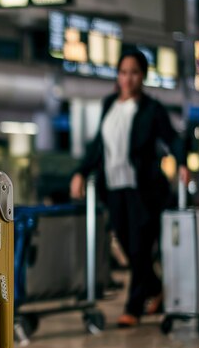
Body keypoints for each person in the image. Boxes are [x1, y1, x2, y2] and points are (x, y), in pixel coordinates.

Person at [70, 49, 189, 328]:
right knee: (124, 242)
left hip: (143, 190)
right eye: (123, 72)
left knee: (139, 248)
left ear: (143, 76)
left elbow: (173, 139)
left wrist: (182, 162)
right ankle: (158, 288)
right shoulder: (109, 104)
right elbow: (98, 145)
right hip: (114, 187)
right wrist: (80, 172)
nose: (128, 78)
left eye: (134, 72)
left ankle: (133, 308)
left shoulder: (152, 109)